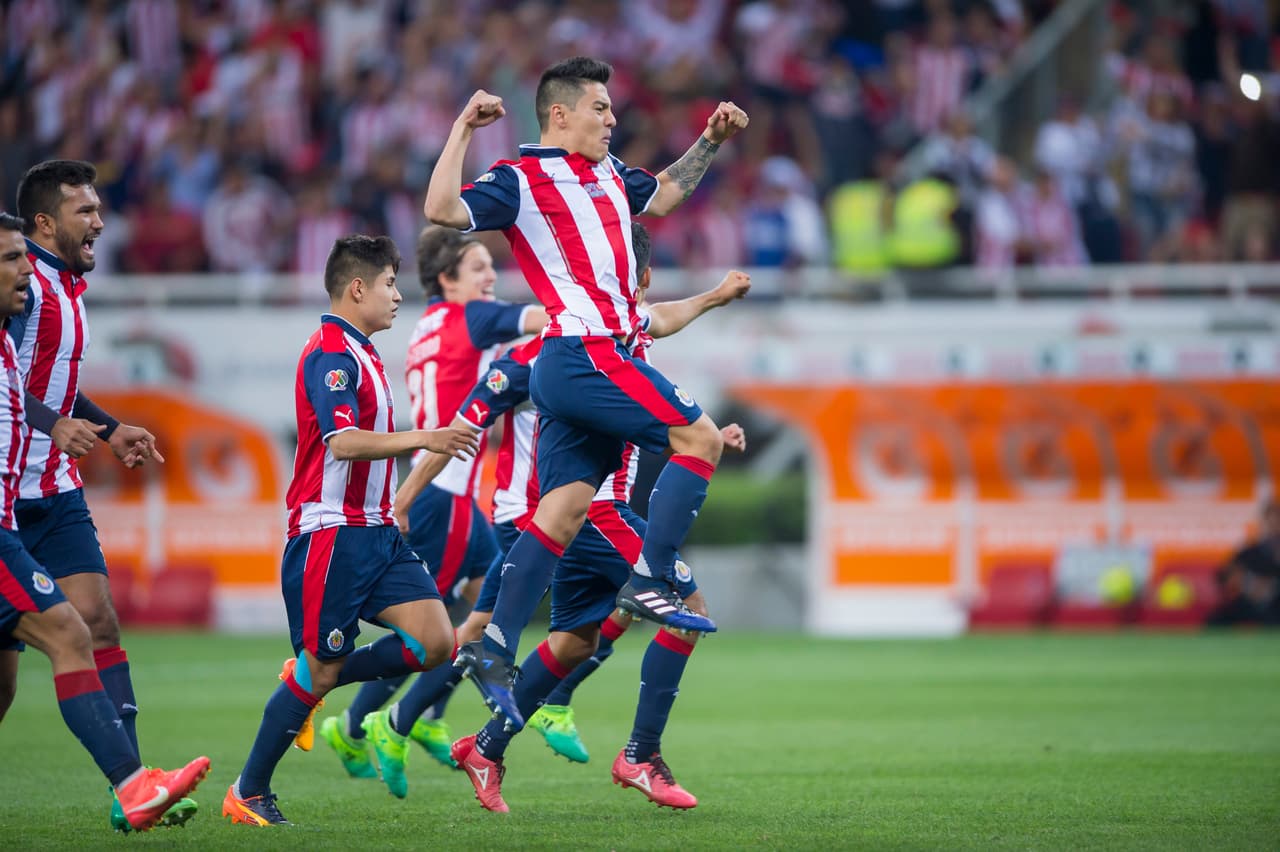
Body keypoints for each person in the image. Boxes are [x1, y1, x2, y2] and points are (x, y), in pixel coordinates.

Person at [423, 56, 748, 726]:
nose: (612, 118)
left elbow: (664, 194)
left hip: (580, 364)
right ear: (560, 114)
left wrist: (711, 139)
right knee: (701, 436)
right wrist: (462, 127)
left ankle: (494, 645)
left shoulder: (608, 174)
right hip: (583, 351)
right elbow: (440, 209)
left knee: (564, 512)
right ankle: (652, 576)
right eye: (600, 108)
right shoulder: (520, 179)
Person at [450, 221, 750, 812]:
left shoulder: (619, 329)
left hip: (578, 512)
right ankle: (640, 755)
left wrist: (714, 298)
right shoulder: (581, 343)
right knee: (687, 610)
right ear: (636, 276)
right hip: (597, 513)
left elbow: (660, 320)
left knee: (572, 642)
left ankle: (484, 748)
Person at [221, 235, 480, 827]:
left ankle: (310, 674)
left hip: (378, 532)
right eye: (389, 283)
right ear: (357, 288)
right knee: (325, 667)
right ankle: (248, 789)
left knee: (436, 642)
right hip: (330, 534)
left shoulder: (362, 351)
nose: (397, 294)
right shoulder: (331, 355)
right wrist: (426, 436)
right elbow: (342, 443)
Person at [0, 211, 210, 831]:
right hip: (10, 516)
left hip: (37, 502)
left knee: (39, 661)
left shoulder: (39, 311)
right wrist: (51, 424)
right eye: (83, 208)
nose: (23, 273)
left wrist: (102, 426)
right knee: (69, 634)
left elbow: (47, 397)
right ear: (45, 218)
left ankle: (138, 784)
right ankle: (134, 785)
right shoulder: (30, 300)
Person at [319, 226, 546, 792]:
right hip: (445, 495)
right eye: (478, 269)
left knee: (480, 615)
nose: (490, 279)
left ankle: (422, 717)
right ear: (447, 280)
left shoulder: (426, 326)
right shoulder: (472, 318)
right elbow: (556, 318)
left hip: (451, 495)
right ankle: (357, 722)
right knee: (439, 631)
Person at [1207, 500, 1280, 627]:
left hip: (1276, 604)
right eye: (1272, 520)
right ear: (1265, 522)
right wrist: (1237, 580)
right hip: (1249, 602)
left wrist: (1268, 586)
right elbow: (1223, 575)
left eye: (1278, 520)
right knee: (1215, 622)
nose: (1275, 525)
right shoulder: (1250, 550)